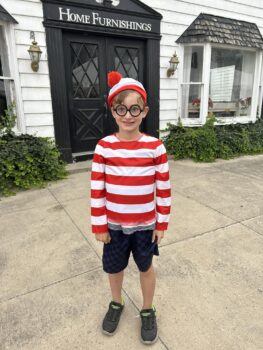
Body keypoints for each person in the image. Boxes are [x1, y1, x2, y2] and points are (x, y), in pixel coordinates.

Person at [90, 71, 171, 345]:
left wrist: (161, 223)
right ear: (112, 111)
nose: (128, 115)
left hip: (145, 225)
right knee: (115, 269)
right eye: (121, 108)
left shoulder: (155, 148)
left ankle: (147, 309)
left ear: (144, 110)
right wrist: (100, 225)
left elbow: (164, 189)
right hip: (114, 226)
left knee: (146, 268)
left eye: (134, 108)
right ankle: (116, 303)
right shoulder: (104, 148)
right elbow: (97, 190)